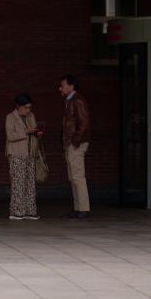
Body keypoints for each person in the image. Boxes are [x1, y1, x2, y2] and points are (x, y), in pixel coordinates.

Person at [4, 93, 42, 220]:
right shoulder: (10, 117)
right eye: (26, 107)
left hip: (30, 153)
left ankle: (30, 211)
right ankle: (17, 212)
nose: (28, 110)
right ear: (18, 106)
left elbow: (35, 130)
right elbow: (10, 136)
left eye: (30, 107)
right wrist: (25, 132)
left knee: (30, 183)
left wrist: (38, 133)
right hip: (16, 154)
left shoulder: (31, 116)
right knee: (18, 183)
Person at [58, 75, 90, 218]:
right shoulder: (70, 100)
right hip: (71, 143)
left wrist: (75, 142)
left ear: (71, 86)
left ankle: (83, 209)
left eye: (63, 85)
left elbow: (84, 123)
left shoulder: (77, 100)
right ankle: (78, 208)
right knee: (73, 177)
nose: (60, 88)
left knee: (77, 176)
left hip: (76, 143)